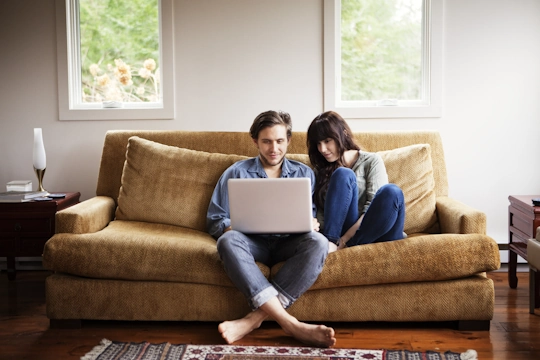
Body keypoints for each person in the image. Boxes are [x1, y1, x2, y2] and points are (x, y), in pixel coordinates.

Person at [206, 110, 336, 347]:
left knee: (318, 242)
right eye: (266, 141)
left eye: (279, 141)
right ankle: (290, 324)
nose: (273, 148)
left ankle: (254, 320)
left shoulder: (304, 173)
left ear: (288, 140)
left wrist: (313, 223)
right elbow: (215, 218)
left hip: (290, 243)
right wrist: (230, 227)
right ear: (255, 141)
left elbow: (316, 215)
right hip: (253, 243)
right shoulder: (235, 172)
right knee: (227, 241)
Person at [306, 111, 405, 253]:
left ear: (344, 133)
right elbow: (320, 214)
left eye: (327, 141)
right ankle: (330, 243)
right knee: (343, 173)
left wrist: (345, 240)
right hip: (339, 234)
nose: (322, 149)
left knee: (392, 192)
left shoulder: (371, 161)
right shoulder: (319, 171)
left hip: (378, 230)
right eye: (318, 144)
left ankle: (341, 246)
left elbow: (373, 208)